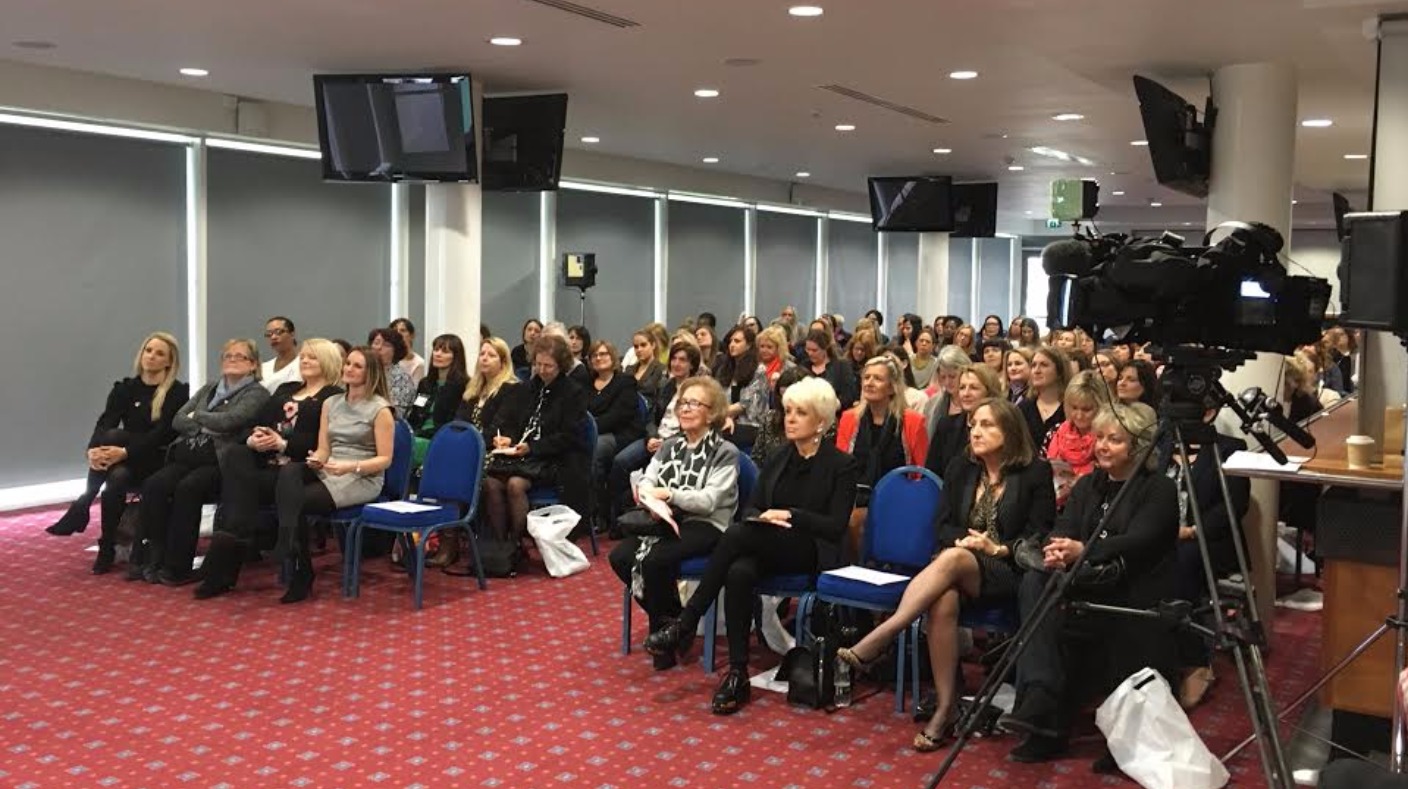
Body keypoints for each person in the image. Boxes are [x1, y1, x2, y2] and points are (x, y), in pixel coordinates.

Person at [838, 398, 1054, 751]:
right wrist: (967, 541)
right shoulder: (961, 468)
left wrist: (995, 548)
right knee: (943, 599)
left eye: (987, 425)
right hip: (960, 566)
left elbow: (1039, 536)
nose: (976, 431)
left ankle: (887, 631)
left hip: (1010, 570)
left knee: (953, 560)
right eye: (974, 424)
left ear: (1010, 431)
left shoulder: (1034, 474)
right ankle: (945, 708)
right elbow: (942, 526)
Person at [643, 377, 858, 715]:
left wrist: (790, 515)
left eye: (800, 413)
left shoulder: (841, 465)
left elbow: (835, 526)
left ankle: (685, 622)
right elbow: (752, 508)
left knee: (734, 536)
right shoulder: (779, 456)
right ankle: (737, 673)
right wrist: (764, 518)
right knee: (739, 571)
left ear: (820, 422)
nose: (790, 418)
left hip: (811, 549)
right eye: (788, 411)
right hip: (768, 542)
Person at [1001, 402, 1179, 767]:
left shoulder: (1158, 488)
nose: (1102, 446)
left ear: (1138, 446)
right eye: (1100, 438)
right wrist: (1057, 550)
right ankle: (1042, 700)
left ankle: (1044, 708)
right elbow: (1062, 529)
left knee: (1050, 600)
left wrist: (1084, 550)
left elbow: (1140, 541)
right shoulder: (1088, 485)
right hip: (1084, 583)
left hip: (1132, 587)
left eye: (1115, 439)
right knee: (1036, 578)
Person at [608, 376, 740, 670]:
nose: (686, 409)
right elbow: (647, 481)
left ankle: (666, 639)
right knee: (620, 556)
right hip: (666, 519)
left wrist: (669, 495)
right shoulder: (669, 446)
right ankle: (677, 624)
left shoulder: (725, 452)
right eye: (683, 403)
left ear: (712, 413)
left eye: (694, 403)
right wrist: (650, 500)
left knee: (654, 561)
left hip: (708, 524)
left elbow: (709, 501)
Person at [200, 338, 344, 599]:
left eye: (312, 357)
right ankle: (240, 547)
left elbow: (324, 444)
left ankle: (223, 568)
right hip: (268, 464)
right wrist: (253, 439)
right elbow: (253, 424)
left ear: (328, 361)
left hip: (302, 468)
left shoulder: (332, 396)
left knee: (243, 497)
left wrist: (283, 444)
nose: (305, 360)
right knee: (237, 453)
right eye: (303, 356)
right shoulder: (286, 389)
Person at [129, 338, 269, 585]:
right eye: (228, 356)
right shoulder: (209, 388)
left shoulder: (257, 393)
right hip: (188, 453)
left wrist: (199, 416)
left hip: (220, 461)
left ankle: (177, 567)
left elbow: (232, 421)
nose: (232, 360)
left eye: (240, 356)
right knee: (154, 485)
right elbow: (178, 418)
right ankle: (151, 557)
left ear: (253, 364)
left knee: (188, 489)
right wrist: (204, 425)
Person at [47, 334, 190, 571]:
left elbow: (163, 434)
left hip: (157, 459)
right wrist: (92, 452)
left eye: (159, 353)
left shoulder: (177, 392)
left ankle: (85, 501)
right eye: (148, 350)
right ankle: (107, 545)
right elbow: (105, 423)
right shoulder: (125, 388)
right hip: (123, 459)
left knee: (115, 437)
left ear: (169, 361)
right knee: (117, 476)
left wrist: (125, 452)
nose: (151, 356)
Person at [274, 346, 395, 604]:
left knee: (296, 501)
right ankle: (292, 552)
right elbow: (324, 448)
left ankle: (298, 566)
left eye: (357, 366)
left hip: (362, 475)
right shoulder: (331, 403)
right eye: (347, 363)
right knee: (290, 470)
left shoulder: (380, 409)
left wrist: (350, 467)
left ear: (371, 373)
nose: (348, 369)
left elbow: (385, 459)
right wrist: (318, 459)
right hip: (331, 467)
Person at [1157, 406, 1249, 708]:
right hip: (1162, 534)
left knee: (1180, 563)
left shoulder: (1230, 449)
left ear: (1208, 412)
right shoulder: (1162, 444)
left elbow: (1234, 505)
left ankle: (1195, 660)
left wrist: (1191, 530)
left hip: (1207, 539)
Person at [482, 334, 589, 549]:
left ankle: (517, 542)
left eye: (548, 366)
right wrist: (508, 439)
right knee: (490, 483)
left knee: (515, 485)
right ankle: (502, 545)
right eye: (538, 364)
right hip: (524, 457)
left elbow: (569, 437)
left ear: (561, 365)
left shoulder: (573, 393)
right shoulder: (527, 389)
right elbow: (513, 422)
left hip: (556, 459)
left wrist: (532, 447)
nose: (542, 370)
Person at [836, 356, 929, 559]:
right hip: (855, 497)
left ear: (892, 387)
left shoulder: (913, 422)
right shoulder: (849, 419)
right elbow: (839, 467)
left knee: (857, 522)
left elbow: (921, 472)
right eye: (866, 377)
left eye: (877, 378)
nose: (869, 383)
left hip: (900, 499)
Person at [609, 340, 701, 523]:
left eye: (682, 360)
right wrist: (651, 437)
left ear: (692, 365)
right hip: (656, 438)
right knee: (620, 462)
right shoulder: (666, 385)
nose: (676, 363)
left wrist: (667, 443)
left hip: (679, 442)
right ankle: (617, 519)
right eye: (674, 359)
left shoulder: (697, 390)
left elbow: (695, 425)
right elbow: (651, 417)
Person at [586, 340, 642, 526]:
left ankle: (600, 513)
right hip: (594, 433)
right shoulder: (586, 384)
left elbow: (619, 416)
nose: (599, 358)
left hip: (621, 434)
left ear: (612, 357)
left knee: (597, 449)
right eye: (594, 355)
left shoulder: (625, 381)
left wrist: (590, 429)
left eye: (603, 354)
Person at [926, 364, 1004, 482]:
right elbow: (931, 474)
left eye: (974, 388)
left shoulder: (1003, 425)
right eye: (962, 388)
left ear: (989, 392)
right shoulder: (946, 426)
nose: (966, 394)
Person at [1045, 370, 1111, 507]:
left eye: (1086, 409)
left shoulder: (1108, 438)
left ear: (1101, 407)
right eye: (1074, 408)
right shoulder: (1056, 432)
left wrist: (1081, 484)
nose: (1079, 415)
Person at [405, 334, 470, 467]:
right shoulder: (425, 383)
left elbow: (456, 421)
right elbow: (415, 413)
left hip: (440, 438)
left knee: (403, 449)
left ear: (456, 357)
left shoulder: (463, 385)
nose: (438, 354)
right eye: (436, 350)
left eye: (445, 351)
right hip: (417, 434)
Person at [715, 325, 770, 444]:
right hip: (727, 418)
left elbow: (745, 405)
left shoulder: (758, 371)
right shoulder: (725, 369)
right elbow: (719, 398)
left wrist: (718, 414)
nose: (732, 345)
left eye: (737, 341)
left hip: (750, 424)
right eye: (730, 341)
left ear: (749, 345)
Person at [751, 366, 813, 466]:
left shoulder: (820, 423)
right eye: (782, 396)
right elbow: (757, 459)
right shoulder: (770, 418)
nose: (785, 403)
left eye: (791, 398)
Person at [1018, 346, 1070, 454]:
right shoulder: (1023, 408)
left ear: (1059, 371)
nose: (1036, 371)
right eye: (1033, 365)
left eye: (1044, 365)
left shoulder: (1071, 408)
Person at [921, 345, 974, 437]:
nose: (947, 382)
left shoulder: (977, 404)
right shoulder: (932, 404)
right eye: (943, 377)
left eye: (952, 376)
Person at [801, 327, 857, 409]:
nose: (810, 353)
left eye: (814, 350)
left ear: (825, 349)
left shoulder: (841, 366)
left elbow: (849, 395)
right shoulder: (803, 366)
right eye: (807, 349)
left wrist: (833, 405)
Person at [368, 328, 415, 416]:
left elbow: (396, 414)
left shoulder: (401, 379)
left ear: (395, 350)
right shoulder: (364, 372)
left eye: (386, 345)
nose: (379, 348)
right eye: (376, 343)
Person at [625, 329, 666, 406]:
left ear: (653, 345)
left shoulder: (661, 369)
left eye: (643, 345)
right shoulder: (629, 370)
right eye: (636, 347)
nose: (639, 349)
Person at [260, 316, 301, 392]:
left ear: (292, 334)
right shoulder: (263, 368)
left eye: (278, 332)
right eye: (269, 334)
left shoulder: (304, 364)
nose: (273, 337)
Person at [390, 317, 428, 386]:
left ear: (412, 335)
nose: (398, 333)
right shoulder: (387, 360)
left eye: (403, 330)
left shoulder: (419, 364)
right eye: (395, 331)